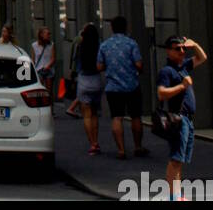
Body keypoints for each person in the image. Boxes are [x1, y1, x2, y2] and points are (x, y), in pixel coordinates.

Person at [157, 35, 207, 199]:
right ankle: (173, 196)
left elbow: (202, 57)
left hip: (187, 119)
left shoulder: (183, 67)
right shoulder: (167, 71)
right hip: (178, 119)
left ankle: (177, 195)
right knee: (175, 159)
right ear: (168, 51)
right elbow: (161, 93)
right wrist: (182, 86)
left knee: (180, 159)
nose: (181, 51)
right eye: (177, 48)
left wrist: (194, 44)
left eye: (183, 48)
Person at [97, 15, 148, 158]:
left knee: (117, 117)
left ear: (112, 28)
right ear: (126, 27)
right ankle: (138, 146)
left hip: (113, 87)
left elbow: (99, 66)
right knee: (136, 117)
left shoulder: (105, 45)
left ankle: (121, 150)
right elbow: (138, 64)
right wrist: (139, 69)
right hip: (132, 85)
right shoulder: (131, 44)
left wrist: (111, 65)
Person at [73, 23, 104, 153]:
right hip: (96, 81)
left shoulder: (81, 47)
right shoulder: (99, 46)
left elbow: (76, 65)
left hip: (84, 81)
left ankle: (92, 144)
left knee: (86, 115)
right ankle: (96, 141)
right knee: (95, 114)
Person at [31, 27, 56, 96]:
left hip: (49, 70)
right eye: (47, 34)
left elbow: (53, 58)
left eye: (49, 34)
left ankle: (50, 106)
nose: (49, 35)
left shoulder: (51, 44)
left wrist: (48, 67)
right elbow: (33, 59)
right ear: (41, 35)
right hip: (39, 70)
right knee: (40, 91)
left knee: (49, 92)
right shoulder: (34, 45)